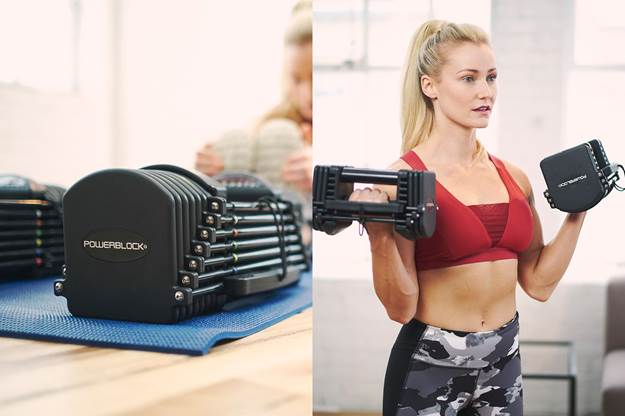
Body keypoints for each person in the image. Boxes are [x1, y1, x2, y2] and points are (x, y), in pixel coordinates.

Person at [348, 20, 587, 415]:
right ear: (430, 86)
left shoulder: (514, 177)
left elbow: (538, 283)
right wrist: (379, 237)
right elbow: (400, 308)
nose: (485, 92)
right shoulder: (404, 181)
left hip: (503, 360)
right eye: (469, 78)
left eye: (491, 78)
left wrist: (578, 211)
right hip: (430, 364)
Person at [194, 0, 312, 195]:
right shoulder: (264, 128)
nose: (306, 95)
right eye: (296, 79)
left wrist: (321, 178)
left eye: (313, 78)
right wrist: (208, 172)